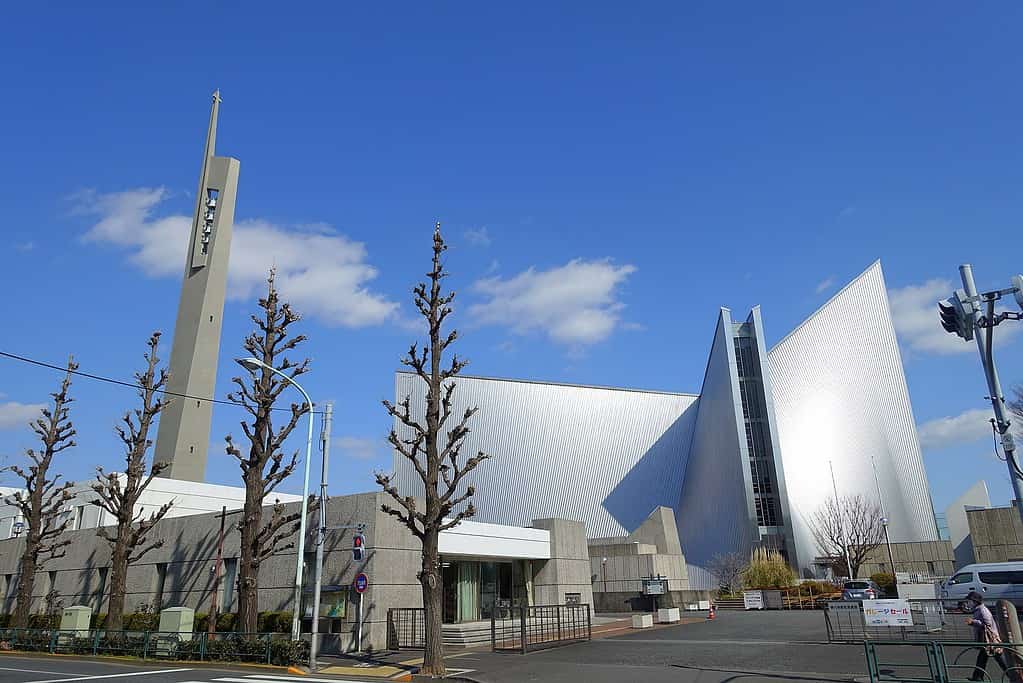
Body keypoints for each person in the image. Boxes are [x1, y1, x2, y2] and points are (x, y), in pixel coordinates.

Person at [965, 590, 1010, 681]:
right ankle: (977, 676)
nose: (968, 603)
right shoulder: (978, 609)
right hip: (986, 639)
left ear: (975, 601)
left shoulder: (982, 610)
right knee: (982, 658)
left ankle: (1013, 675)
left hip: (990, 639)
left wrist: (973, 622)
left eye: (969, 601)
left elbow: (988, 624)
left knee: (999, 658)